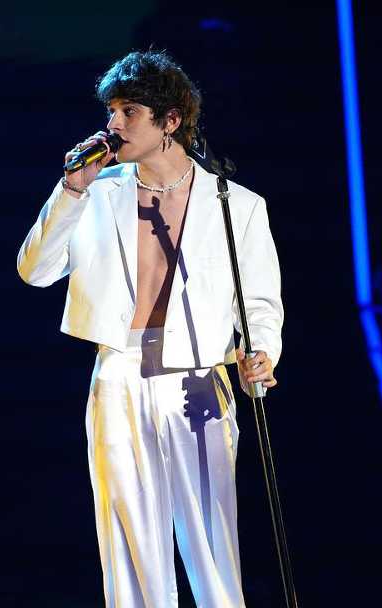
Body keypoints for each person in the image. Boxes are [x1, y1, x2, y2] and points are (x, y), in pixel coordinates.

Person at [16, 50, 283, 608]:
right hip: (118, 374)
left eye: (129, 111)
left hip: (198, 380)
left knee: (211, 542)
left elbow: (258, 304)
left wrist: (261, 353)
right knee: (130, 540)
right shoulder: (96, 192)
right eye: (111, 110)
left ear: (170, 120)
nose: (113, 124)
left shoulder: (236, 204)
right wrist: (70, 191)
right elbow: (35, 271)